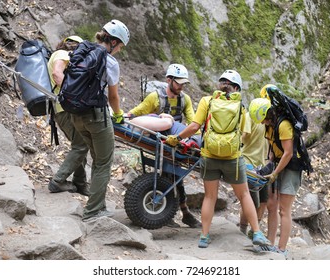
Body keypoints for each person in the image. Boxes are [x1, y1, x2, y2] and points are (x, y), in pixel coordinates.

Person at [165, 70, 271, 248]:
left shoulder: (208, 101)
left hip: (209, 156)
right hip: (233, 158)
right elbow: (243, 134)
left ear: (220, 84)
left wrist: (177, 138)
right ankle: (257, 232)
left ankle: (204, 237)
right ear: (236, 88)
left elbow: (194, 126)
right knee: (244, 195)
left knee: (210, 197)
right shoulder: (240, 106)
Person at [126, 64, 201, 228]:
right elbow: (139, 111)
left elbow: (193, 121)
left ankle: (180, 212)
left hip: (177, 143)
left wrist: (191, 137)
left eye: (183, 83)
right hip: (160, 141)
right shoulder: (155, 97)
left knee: (173, 176)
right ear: (169, 80)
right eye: (178, 82)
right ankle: (182, 212)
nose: (181, 86)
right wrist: (126, 116)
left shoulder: (185, 99)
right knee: (170, 176)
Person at [70, 19, 129, 222]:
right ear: (113, 42)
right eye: (120, 45)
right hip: (96, 115)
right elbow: (113, 96)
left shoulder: (84, 50)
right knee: (104, 162)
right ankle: (93, 211)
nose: (119, 50)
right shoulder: (110, 62)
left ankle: (99, 204)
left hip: (76, 114)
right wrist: (119, 114)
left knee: (97, 158)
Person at [248, 86, 302, 257]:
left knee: (284, 209)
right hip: (278, 163)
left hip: (292, 166)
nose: (262, 123)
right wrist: (269, 165)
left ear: (267, 114)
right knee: (272, 204)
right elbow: (272, 148)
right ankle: (269, 244)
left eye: (263, 120)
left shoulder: (284, 125)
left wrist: (275, 173)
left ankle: (282, 248)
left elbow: (288, 153)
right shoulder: (269, 125)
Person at [47, 35, 90, 196]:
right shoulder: (63, 54)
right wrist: (75, 95)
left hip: (61, 109)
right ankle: (58, 181)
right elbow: (57, 74)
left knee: (81, 143)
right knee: (82, 144)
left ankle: (80, 182)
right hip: (65, 109)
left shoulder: (59, 54)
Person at [239, 111, 268, 237]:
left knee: (264, 201)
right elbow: (243, 137)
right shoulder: (249, 116)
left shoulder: (270, 119)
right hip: (248, 162)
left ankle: (253, 231)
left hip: (263, 164)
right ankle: (243, 230)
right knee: (252, 201)